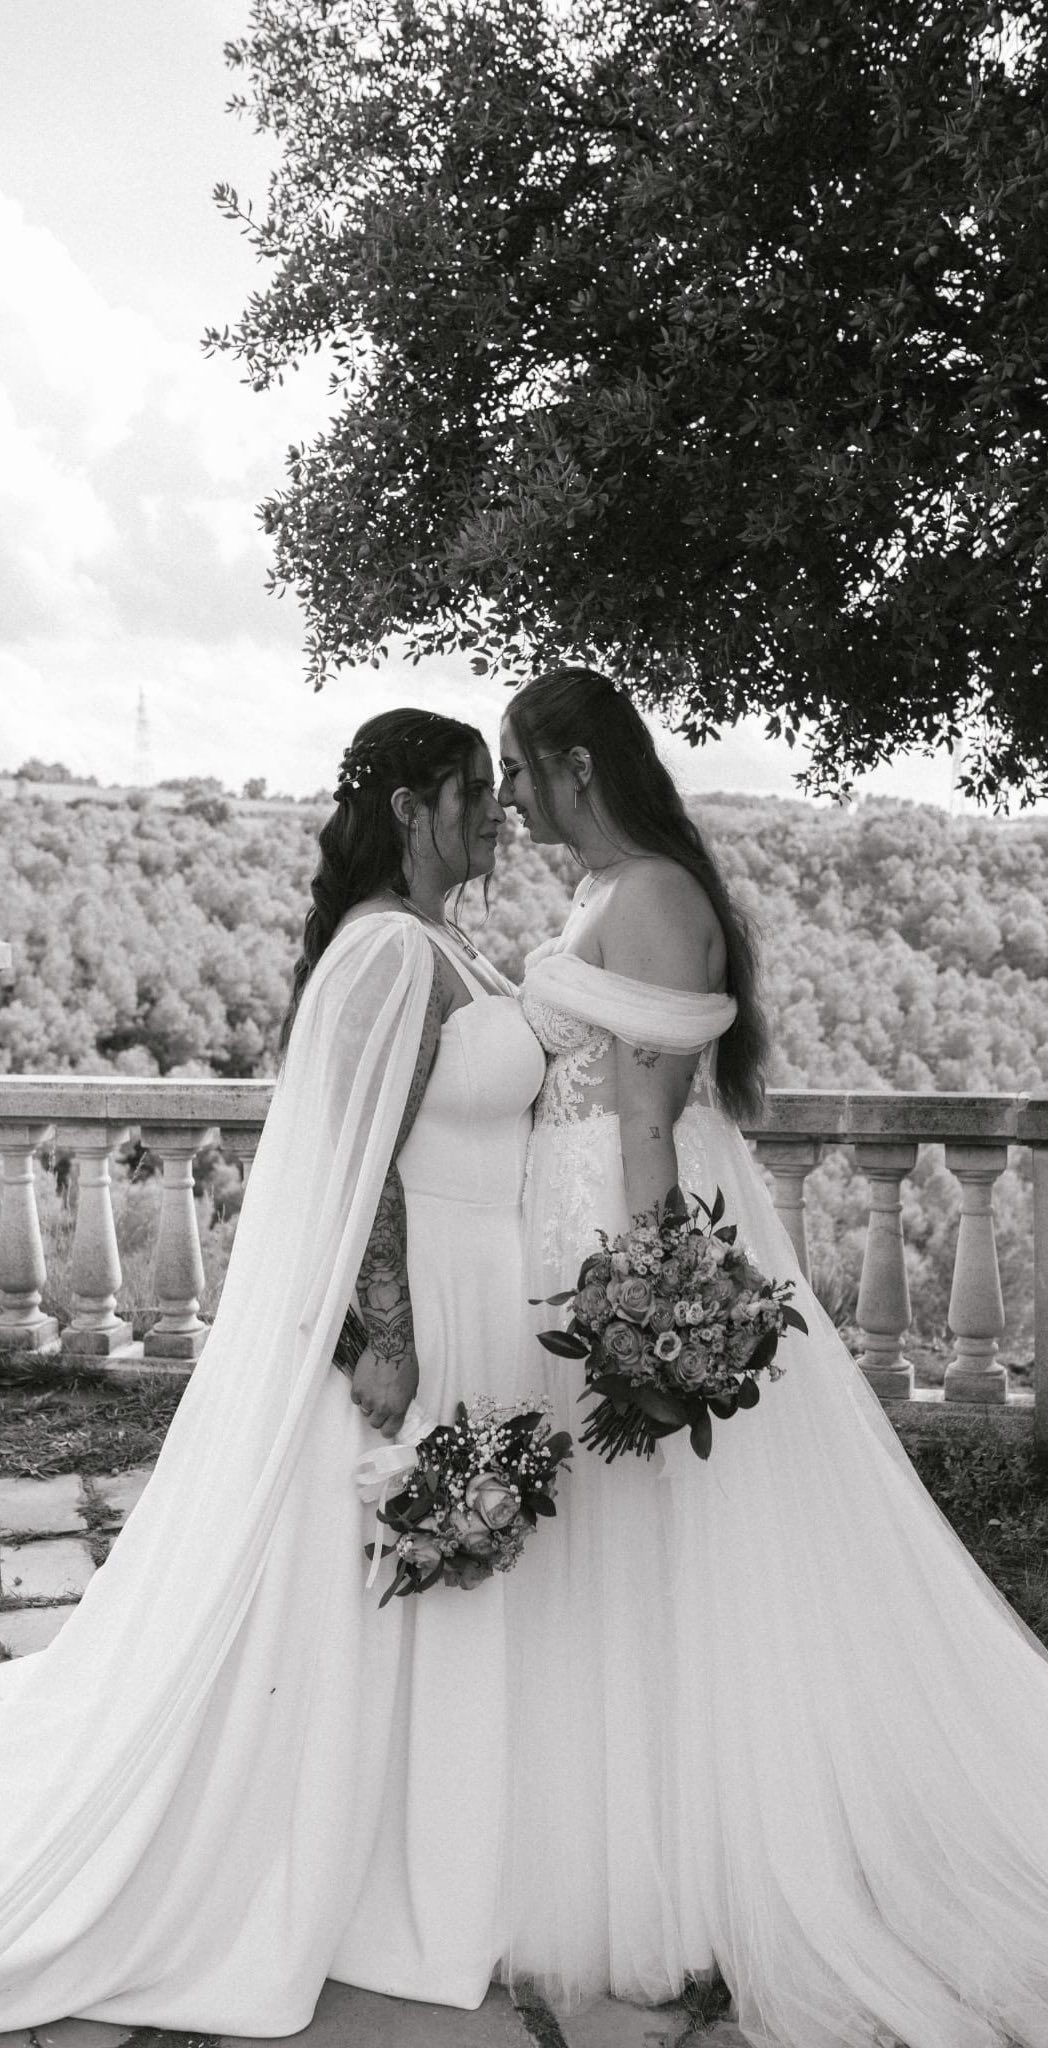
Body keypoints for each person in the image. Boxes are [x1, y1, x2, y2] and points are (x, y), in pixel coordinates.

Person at [496, 667, 1048, 2048]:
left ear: (573, 763)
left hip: (633, 1225)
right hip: (577, 1217)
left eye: (519, 766)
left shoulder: (655, 896)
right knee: (623, 1556)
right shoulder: (603, 893)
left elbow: (644, 1111)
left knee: (686, 1551)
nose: (508, 795)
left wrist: (644, 1285)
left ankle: (707, 1865)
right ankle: (643, 1836)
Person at [0, 709, 545, 2031]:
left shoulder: (442, 946)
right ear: (415, 809)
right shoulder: (387, 956)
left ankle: (433, 1848)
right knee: (352, 1593)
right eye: (477, 794)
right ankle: (349, 1866)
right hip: (413, 1314)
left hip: (480, 1288)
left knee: (422, 1599)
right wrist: (390, 1338)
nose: (499, 816)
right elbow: (359, 1176)